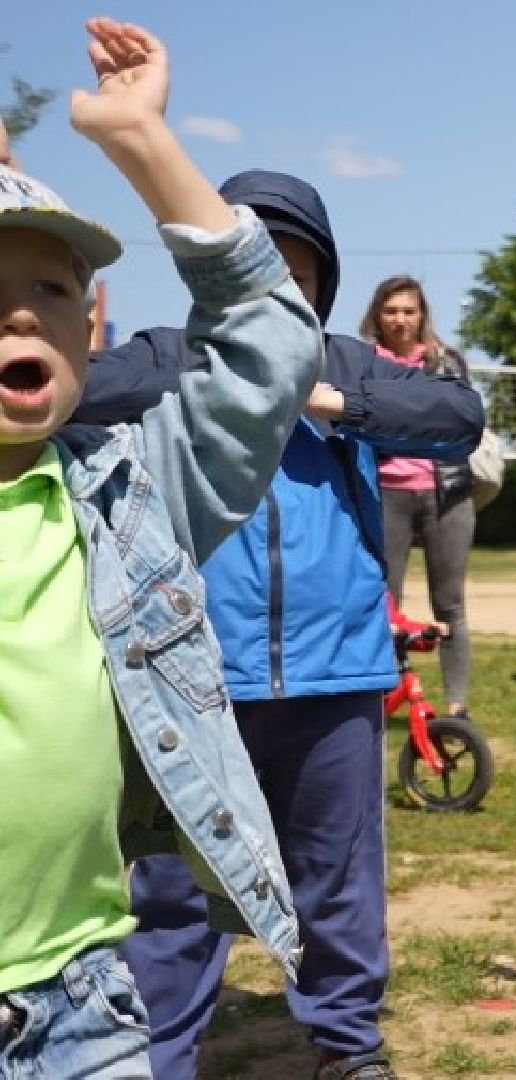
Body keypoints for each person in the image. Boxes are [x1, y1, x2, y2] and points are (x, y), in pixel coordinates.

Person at [74, 163, 481, 1079]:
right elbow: (75, 389)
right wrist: (215, 391)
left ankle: (347, 1044)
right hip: (190, 677)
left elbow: (458, 413)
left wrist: (321, 398)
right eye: (251, 274)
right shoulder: (169, 354)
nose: (276, 296)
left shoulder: (349, 365)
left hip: (336, 673)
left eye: (294, 277)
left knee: (336, 879)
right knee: (174, 891)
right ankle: (160, 1052)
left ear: (323, 283)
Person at [0, 19, 318, 1075]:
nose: (23, 319)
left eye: (51, 292)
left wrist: (142, 141)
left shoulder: (128, 492)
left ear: (89, 332)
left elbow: (269, 346)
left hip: (81, 997)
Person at [365, 276, 478, 718]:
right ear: (377, 315)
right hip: (385, 493)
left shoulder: (446, 362)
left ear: (422, 315)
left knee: (449, 602)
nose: (399, 320)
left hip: (446, 494)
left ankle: (457, 706)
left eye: (408, 311)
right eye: (391, 311)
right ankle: (382, 698)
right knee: (384, 603)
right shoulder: (363, 361)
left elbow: (464, 420)